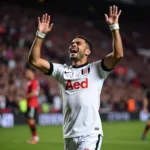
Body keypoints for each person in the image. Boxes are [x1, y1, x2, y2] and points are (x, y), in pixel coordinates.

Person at [28, 5, 123, 150]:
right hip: (69, 136)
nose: (73, 45)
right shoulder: (62, 71)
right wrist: (40, 35)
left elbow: (118, 55)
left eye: (78, 43)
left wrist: (114, 26)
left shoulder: (97, 69)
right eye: (72, 43)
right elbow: (34, 60)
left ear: (87, 51)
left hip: (90, 135)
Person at [25, 65, 40, 144]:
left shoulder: (34, 81)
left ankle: (35, 138)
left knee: (31, 120)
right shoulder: (29, 82)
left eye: (28, 72)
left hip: (32, 104)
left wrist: (24, 97)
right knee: (29, 120)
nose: (26, 74)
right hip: (29, 104)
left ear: (32, 73)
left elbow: (34, 92)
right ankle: (34, 137)